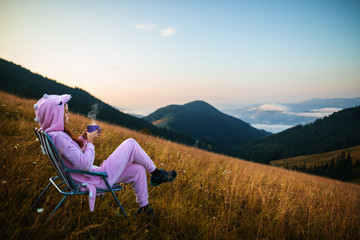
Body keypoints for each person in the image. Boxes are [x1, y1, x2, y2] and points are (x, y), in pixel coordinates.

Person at [34, 93, 177, 215]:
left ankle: (144, 208)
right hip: (95, 180)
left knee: (138, 169)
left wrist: (83, 138)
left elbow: (73, 156)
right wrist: (90, 142)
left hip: (87, 177)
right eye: (65, 112)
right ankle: (156, 174)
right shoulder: (59, 137)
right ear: (55, 115)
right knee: (131, 143)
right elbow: (84, 164)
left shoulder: (54, 135)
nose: (68, 114)